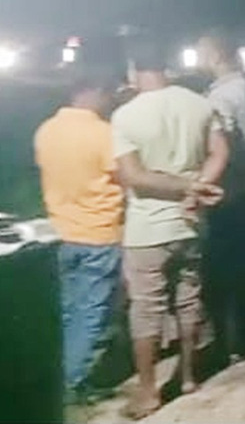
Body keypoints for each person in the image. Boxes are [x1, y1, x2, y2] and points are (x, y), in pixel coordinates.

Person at [111, 37, 228, 418]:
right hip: (190, 223)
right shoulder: (200, 104)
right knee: (189, 300)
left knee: (147, 309)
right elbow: (220, 153)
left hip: (147, 229)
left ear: (133, 71)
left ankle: (148, 393)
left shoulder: (125, 116)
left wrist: (184, 187)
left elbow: (134, 176)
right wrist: (196, 188)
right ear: (167, 68)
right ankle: (189, 377)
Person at [33, 68, 124, 404]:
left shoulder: (46, 130)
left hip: (58, 231)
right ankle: (72, 382)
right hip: (98, 233)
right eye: (109, 94)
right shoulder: (105, 134)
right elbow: (125, 176)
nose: (110, 100)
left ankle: (55, 375)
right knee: (90, 313)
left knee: (67, 312)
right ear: (95, 91)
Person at [195, 30, 245, 363]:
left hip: (228, 192)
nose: (198, 60)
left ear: (215, 55)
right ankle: (243, 340)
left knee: (221, 271)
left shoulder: (222, 97)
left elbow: (224, 144)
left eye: (201, 53)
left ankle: (226, 343)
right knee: (243, 268)